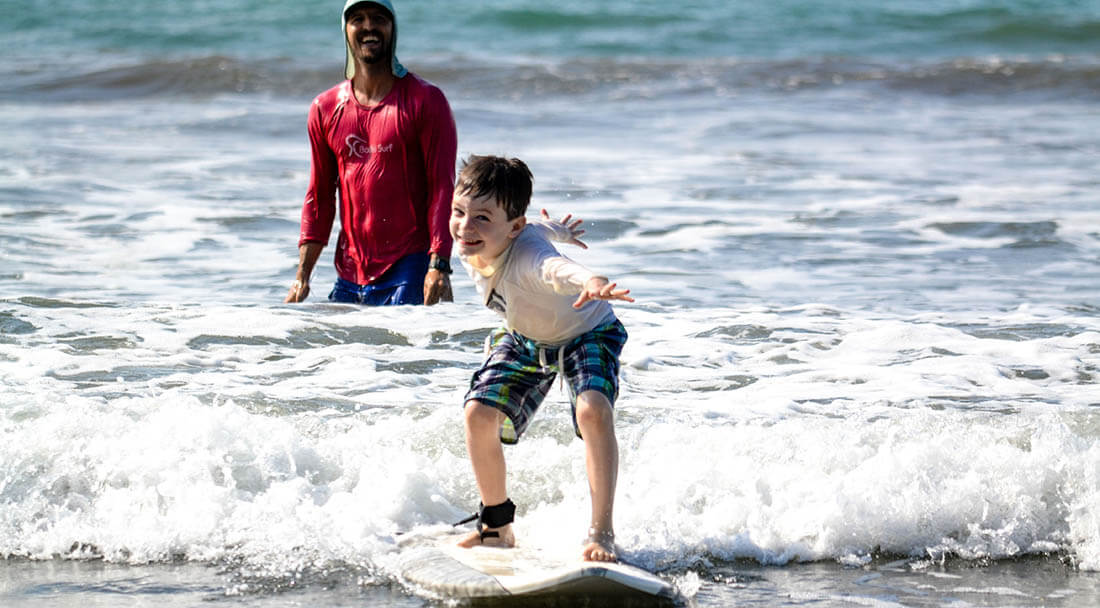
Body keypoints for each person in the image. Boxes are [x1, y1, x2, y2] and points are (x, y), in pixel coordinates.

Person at [450, 155, 635, 562]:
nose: (466, 226)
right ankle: (496, 527)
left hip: (587, 333)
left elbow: (557, 267)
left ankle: (601, 532)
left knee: (593, 412)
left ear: (512, 227)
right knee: (478, 414)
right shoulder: (485, 236)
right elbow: (539, 227)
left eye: (482, 218)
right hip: (525, 335)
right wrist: (561, 229)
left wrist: (592, 281)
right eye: (459, 212)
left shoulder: (529, 258)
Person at [286, 0, 457, 306]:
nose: (368, 27)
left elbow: (442, 187)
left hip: (410, 267)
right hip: (349, 274)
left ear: (393, 28)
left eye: (379, 18)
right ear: (346, 30)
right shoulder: (325, 108)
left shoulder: (425, 100)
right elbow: (320, 196)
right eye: (358, 19)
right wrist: (302, 276)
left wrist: (439, 263)